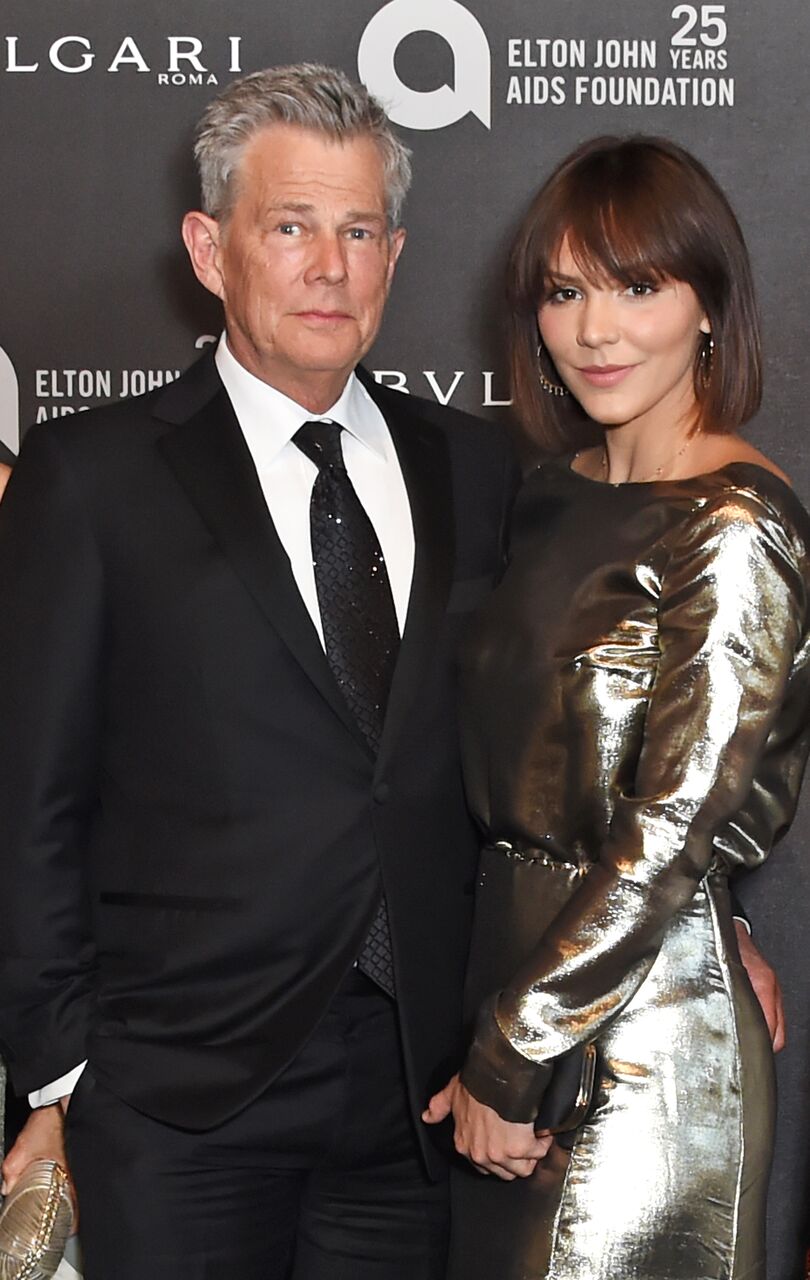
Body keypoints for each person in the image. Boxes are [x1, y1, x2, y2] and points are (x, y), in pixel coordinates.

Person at [0, 65, 518, 1280]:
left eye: (357, 232)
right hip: (177, 1098)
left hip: (420, 1098)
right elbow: (28, 801)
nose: (327, 267)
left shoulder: (481, 471)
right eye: (289, 227)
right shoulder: (92, 479)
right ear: (209, 247)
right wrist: (65, 1074)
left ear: (395, 253)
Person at [424, 136, 810, 1279]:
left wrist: (512, 1047)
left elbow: (673, 828)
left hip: (643, 1037)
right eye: (565, 291)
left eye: (639, 285)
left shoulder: (735, 522)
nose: (596, 330)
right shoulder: (550, 496)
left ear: (709, 304)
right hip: (517, 980)